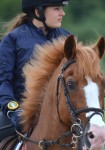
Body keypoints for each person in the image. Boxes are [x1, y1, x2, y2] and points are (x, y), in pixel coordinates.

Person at [0, 0, 71, 142]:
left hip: (58, 114)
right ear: (38, 12)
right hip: (19, 113)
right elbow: (2, 81)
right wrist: (14, 110)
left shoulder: (68, 39)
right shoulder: (12, 40)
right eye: (56, 9)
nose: (62, 13)